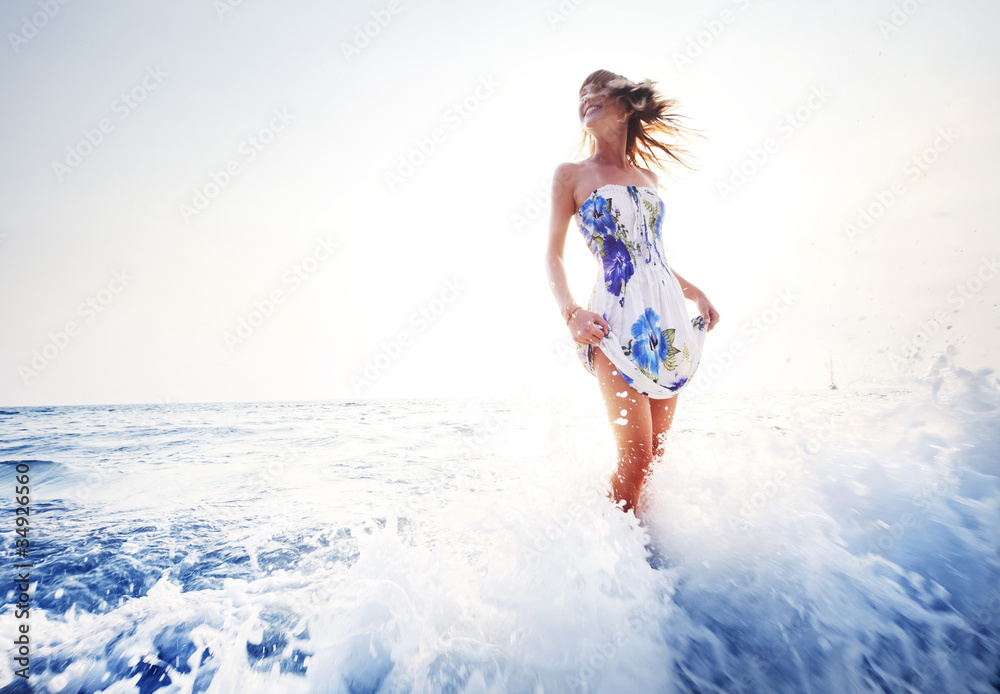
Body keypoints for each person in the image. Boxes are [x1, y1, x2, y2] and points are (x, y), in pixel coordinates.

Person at [545, 69, 720, 515]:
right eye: (580, 93)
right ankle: (605, 559)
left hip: (666, 322)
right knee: (636, 456)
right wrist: (572, 313)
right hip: (613, 320)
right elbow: (554, 256)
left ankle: (644, 558)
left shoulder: (648, 180)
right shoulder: (571, 175)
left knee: (654, 460)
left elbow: (652, 259)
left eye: (597, 91)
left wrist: (695, 292)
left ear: (625, 107)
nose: (585, 97)